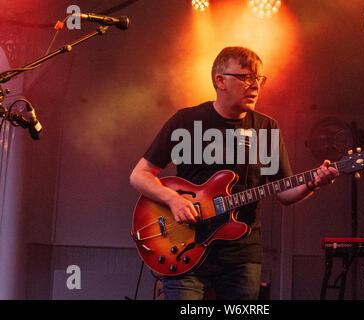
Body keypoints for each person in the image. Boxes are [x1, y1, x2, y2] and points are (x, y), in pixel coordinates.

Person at [130, 46, 339, 300]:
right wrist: (173, 199)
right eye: (246, 78)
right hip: (185, 250)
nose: (255, 86)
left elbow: (284, 192)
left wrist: (313, 183)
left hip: (241, 256)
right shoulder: (185, 121)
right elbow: (139, 175)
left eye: (259, 79)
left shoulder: (265, 128)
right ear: (220, 81)